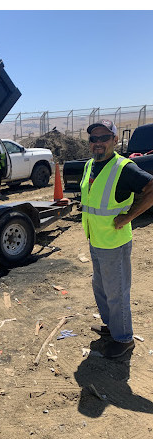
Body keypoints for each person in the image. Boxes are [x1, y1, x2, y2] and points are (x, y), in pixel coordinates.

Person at [80, 119, 153, 358]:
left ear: (114, 140)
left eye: (103, 138)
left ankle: (124, 339)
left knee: (116, 292)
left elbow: (154, 188)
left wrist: (128, 217)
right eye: (94, 139)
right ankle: (112, 327)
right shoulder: (90, 165)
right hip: (95, 239)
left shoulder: (124, 167)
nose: (98, 143)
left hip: (114, 243)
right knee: (100, 288)